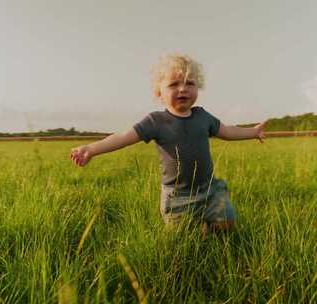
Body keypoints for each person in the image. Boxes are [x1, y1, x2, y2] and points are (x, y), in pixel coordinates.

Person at [71, 53, 265, 233]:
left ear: (198, 87)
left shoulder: (203, 117)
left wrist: (253, 132)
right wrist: (91, 149)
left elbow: (229, 131)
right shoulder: (155, 122)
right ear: (159, 92)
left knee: (227, 223)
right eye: (173, 84)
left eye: (189, 83)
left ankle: (211, 234)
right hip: (177, 197)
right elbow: (123, 137)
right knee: (182, 239)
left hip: (210, 189)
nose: (182, 88)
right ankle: (199, 233)